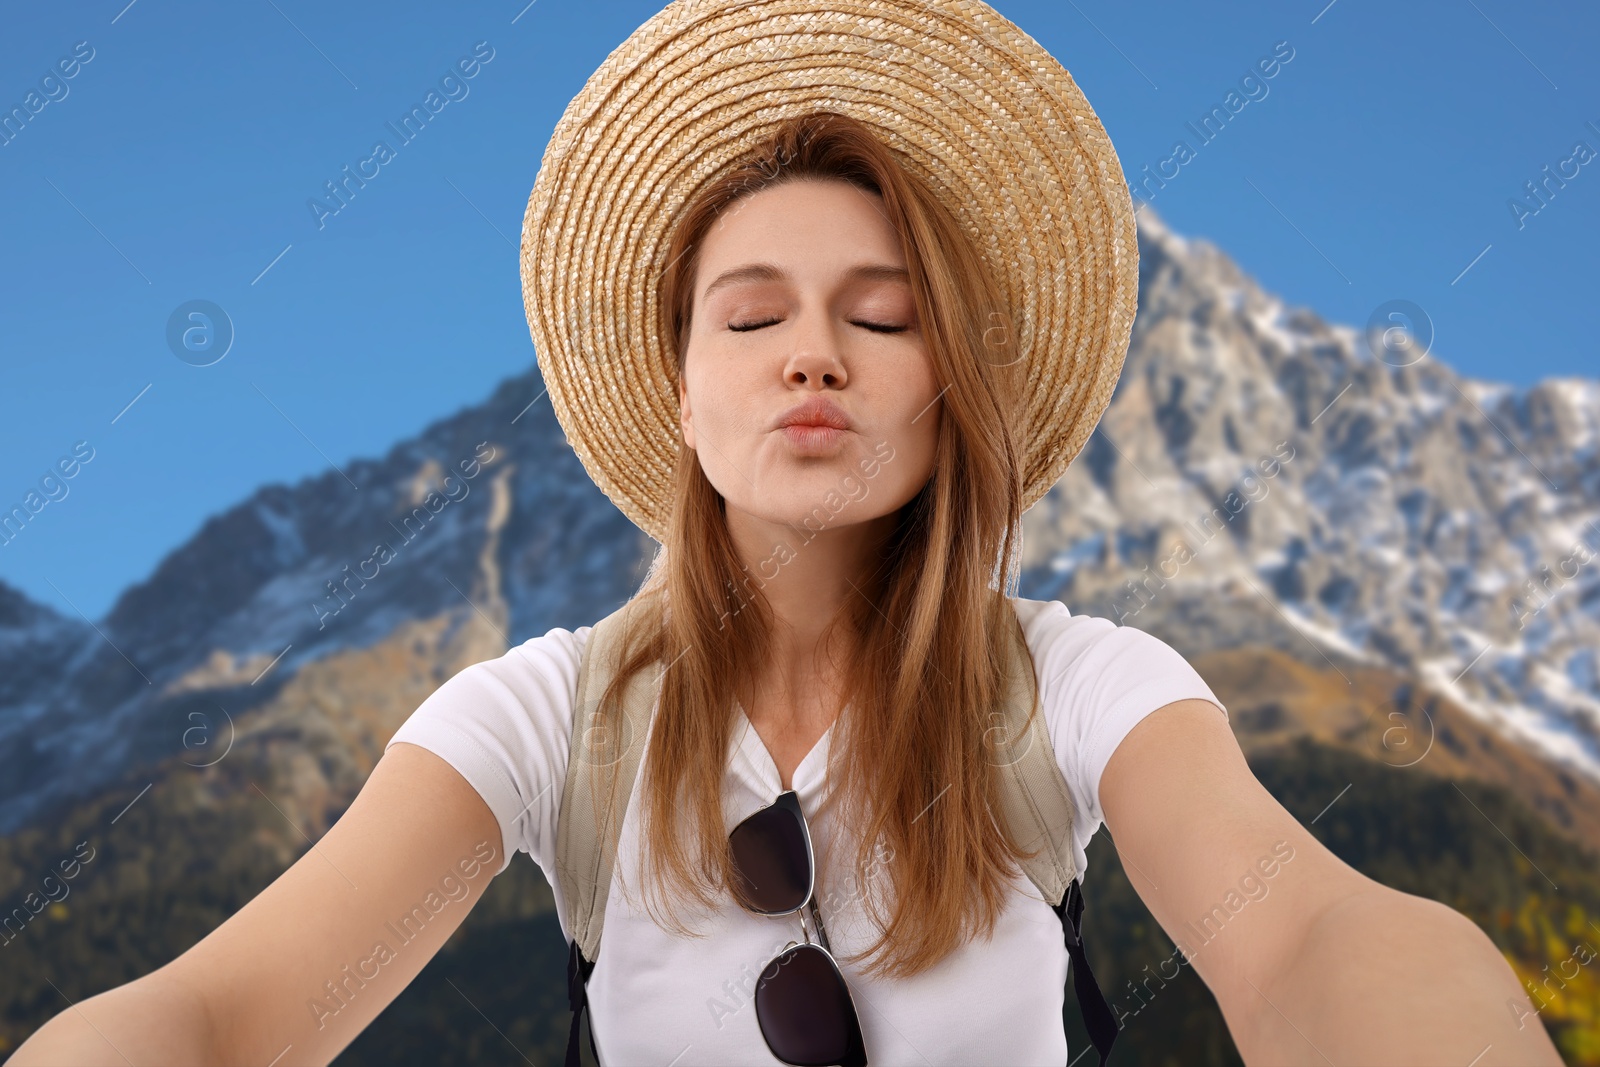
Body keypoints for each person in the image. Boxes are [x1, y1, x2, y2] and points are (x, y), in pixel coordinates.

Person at [13, 2, 1561, 1065]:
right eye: (750, 317)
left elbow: (1299, 937)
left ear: (948, 390)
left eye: (880, 319)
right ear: (680, 393)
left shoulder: (1088, 687)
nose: (812, 354)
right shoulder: (544, 715)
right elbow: (221, 1017)